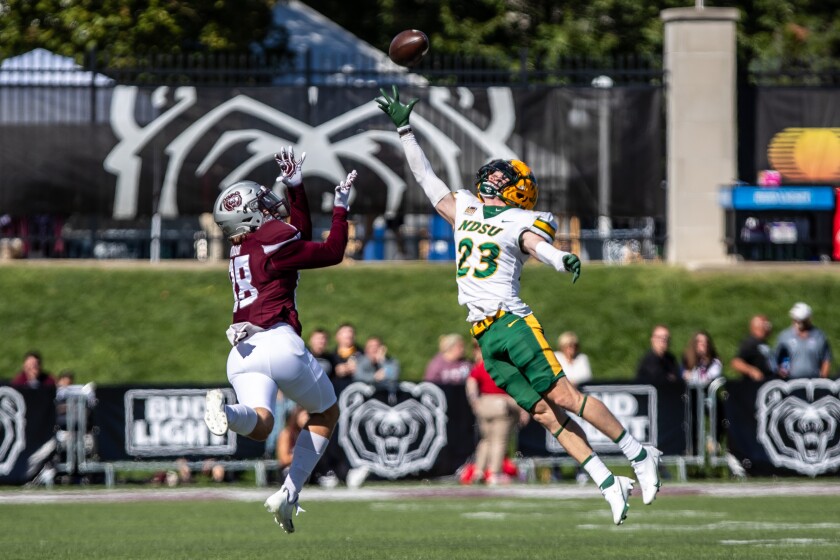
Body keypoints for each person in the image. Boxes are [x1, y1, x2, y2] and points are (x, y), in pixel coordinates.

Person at [377, 86, 661, 525]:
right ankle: (609, 482)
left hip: (511, 322)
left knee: (565, 396)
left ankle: (639, 454)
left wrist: (558, 257)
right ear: (509, 187)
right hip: (484, 335)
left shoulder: (516, 220)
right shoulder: (467, 210)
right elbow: (426, 178)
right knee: (546, 413)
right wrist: (404, 131)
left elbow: (534, 242)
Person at [203, 146, 357, 534]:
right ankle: (291, 489)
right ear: (252, 215)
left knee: (260, 423)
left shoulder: (242, 248)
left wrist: (296, 186)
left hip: (241, 350)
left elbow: (298, 236)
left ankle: (228, 411)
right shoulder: (270, 238)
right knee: (326, 413)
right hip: (278, 341)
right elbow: (330, 250)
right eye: (264, 204)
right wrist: (340, 208)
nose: (272, 206)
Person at [465, 343, 529, 485]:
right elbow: (518, 388)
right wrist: (523, 409)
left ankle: (478, 472)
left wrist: (474, 401)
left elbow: (471, 383)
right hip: (501, 405)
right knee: (499, 441)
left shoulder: (481, 366)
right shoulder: (503, 366)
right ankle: (495, 473)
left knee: (486, 440)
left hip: (485, 405)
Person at [774, 302, 832, 379]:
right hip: (791, 382)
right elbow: (777, 359)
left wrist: (823, 379)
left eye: (802, 320)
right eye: (796, 320)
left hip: (813, 381)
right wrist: (781, 373)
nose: (799, 323)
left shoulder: (819, 336)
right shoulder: (784, 336)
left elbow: (826, 360)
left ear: (809, 319)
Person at [730, 314, 776, 382]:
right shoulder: (750, 343)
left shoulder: (762, 343)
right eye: (766, 325)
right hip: (755, 384)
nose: (769, 327)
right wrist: (752, 370)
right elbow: (736, 362)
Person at [276, 406, 310, 480]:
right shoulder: (287, 434)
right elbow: (283, 459)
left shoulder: (309, 435)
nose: (307, 418)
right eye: (304, 415)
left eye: (308, 416)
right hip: (289, 469)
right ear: (296, 417)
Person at [332, 323, 362, 390]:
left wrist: (359, 368)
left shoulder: (363, 354)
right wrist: (335, 371)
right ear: (337, 337)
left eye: (351, 332)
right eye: (344, 332)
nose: (349, 334)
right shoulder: (331, 357)